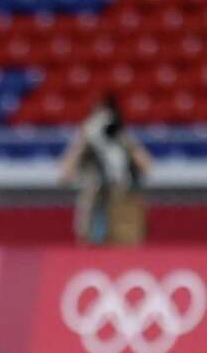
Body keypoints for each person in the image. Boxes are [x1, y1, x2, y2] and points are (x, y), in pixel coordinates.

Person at [58, 94, 152, 246]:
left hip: (123, 202)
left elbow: (147, 167)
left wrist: (122, 139)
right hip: (94, 203)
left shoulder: (122, 139)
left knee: (125, 253)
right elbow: (64, 175)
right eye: (97, 117)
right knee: (91, 251)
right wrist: (84, 140)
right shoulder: (85, 142)